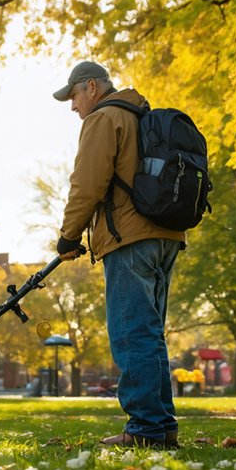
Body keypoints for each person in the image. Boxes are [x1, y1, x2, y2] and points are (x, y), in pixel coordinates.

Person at [53, 61, 186, 448]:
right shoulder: (140, 115)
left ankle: (145, 429)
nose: (73, 106)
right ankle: (163, 427)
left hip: (130, 239)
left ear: (91, 87)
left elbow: (87, 183)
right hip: (165, 236)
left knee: (131, 335)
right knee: (150, 334)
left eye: (74, 95)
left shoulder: (104, 118)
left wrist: (68, 237)